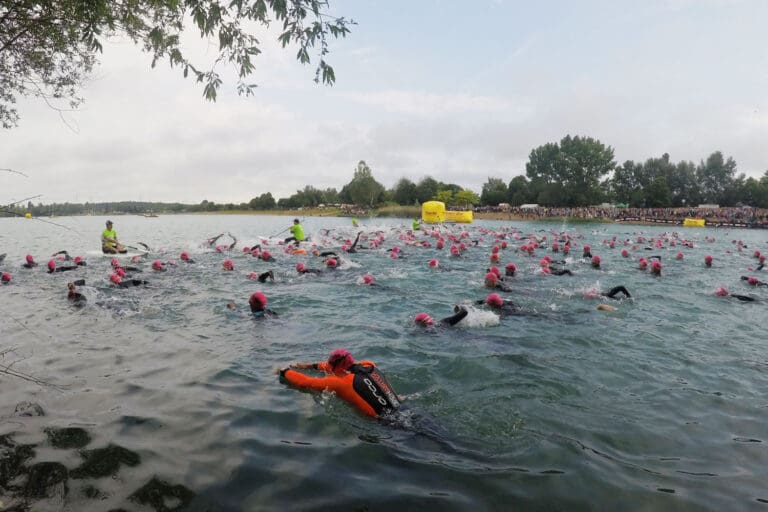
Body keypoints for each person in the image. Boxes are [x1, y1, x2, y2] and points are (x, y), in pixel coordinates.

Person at [279, 349, 402, 418]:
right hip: (403, 410)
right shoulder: (370, 365)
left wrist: (284, 371)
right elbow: (339, 367)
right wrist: (309, 366)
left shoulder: (338, 383)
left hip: (388, 425)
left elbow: (304, 382)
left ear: (335, 366)